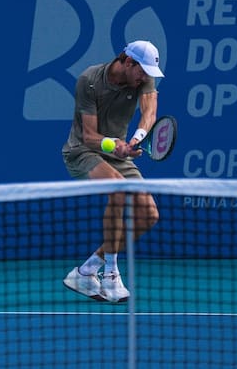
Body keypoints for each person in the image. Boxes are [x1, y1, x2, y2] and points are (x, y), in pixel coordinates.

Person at [61, 41, 165, 303]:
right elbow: (89, 135)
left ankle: (87, 270)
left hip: (120, 154)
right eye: (143, 71)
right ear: (128, 63)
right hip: (83, 152)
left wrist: (137, 138)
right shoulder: (90, 80)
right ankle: (111, 275)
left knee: (149, 214)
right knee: (118, 191)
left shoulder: (143, 80)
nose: (146, 78)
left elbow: (150, 112)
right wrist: (114, 145)